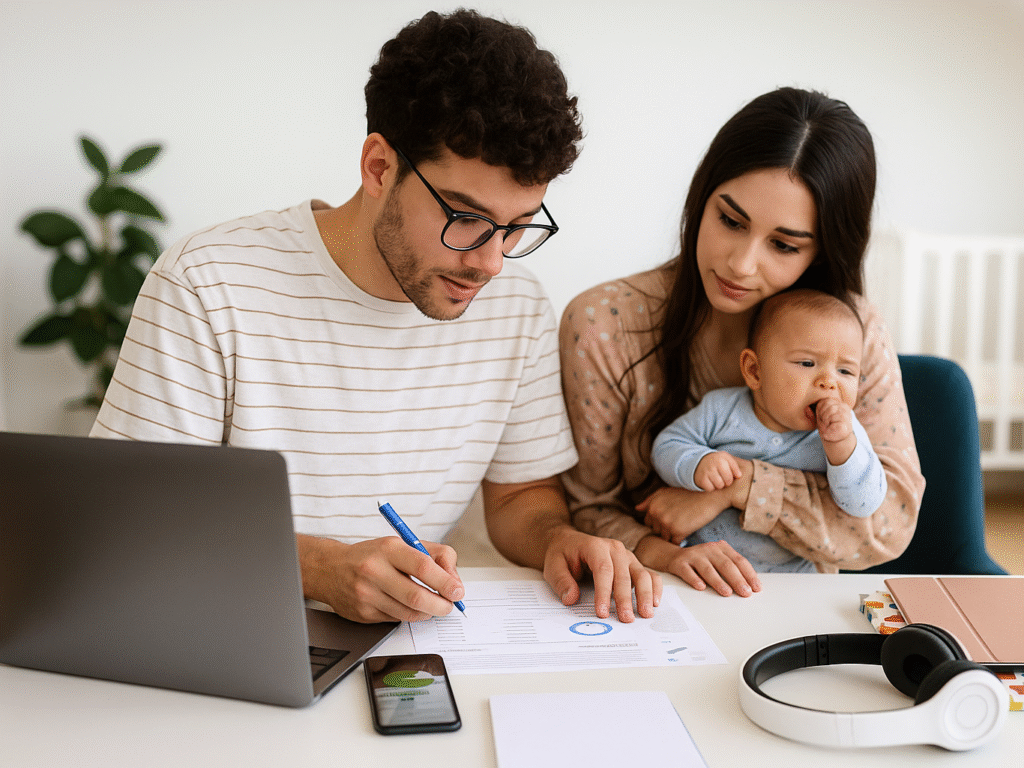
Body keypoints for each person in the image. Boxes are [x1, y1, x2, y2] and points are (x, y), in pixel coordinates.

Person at [91, 9, 661, 624]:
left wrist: (555, 539)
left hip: (402, 645)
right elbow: (130, 521)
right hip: (225, 627)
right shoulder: (209, 284)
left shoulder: (515, 305)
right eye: (466, 219)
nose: (492, 262)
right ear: (379, 167)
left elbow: (521, 496)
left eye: (519, 227)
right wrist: (316, 567)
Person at [559, 87, 925, 598]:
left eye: (783, 245)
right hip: (651, 594)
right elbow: (587, 510)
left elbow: (888, 524)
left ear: (822, 252)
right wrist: (668, 554)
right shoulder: (605, 324)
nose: (741, 264)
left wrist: (738, 487)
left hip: (788, 608)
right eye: (730, 221)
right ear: (701, 198)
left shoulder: (853, 332)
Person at [650, 289, 887, 572]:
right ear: (754, 371)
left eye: (846, 372)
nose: (828, 381)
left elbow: (863, 504)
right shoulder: (721, 409)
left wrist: (842, 449)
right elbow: (666, 445)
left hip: (794, 580)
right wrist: (696, 462)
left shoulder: (846, 432)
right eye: (807, 363)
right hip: (706, 565)